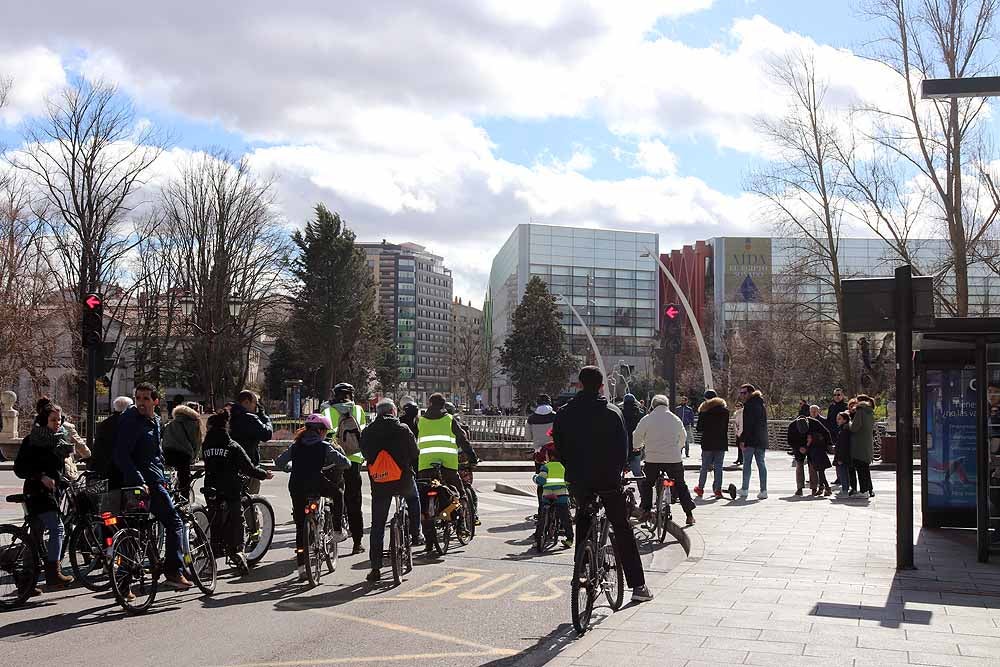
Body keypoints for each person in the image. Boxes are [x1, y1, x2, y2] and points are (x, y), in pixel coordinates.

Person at [552, 366, 653, 603]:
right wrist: (619, 469)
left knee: (583, 523)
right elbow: (623, 448)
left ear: (579, 384)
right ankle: (638, 586)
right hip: (608, 478)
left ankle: (582, 572)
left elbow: (559, 444)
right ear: (600, 386)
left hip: (579, 478)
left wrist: (571, 468)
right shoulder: (612, 412)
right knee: (621, 527)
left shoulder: (565, 413)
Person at [113, 382, 192, 590]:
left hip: (154, 479)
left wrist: (165, 472)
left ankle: (123, 583)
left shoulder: (154, 421)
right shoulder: (131, 421)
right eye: (138, 398)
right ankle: (173, 571)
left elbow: (155, 454)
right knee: (174, 523)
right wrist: (139, 480)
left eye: (146, 398)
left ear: (155, 401)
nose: (141, 402)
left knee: (135, 531)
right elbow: (121, 455)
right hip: (145, 483)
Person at [276, 413, 351, 581]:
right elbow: (345, 462)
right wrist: (343, 464)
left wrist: (290, 468)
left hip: (296, 486)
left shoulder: (295, 446)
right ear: (320, 431)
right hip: (316, 483)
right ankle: (338, 530)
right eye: (325, 431)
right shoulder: (324, 446)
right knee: (338, 494)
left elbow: (279, 462)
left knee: (300, 526)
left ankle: (302, 567)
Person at [14, 398, 75, 592]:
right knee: (57, 529)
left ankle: (26, 581)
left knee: (36, 534)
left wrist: (63, 480)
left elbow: (56, 470)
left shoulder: (58, 440)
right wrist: (41, 477)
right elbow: (20, 468)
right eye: (53, 420)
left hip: (51, 492)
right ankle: (53, 574)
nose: (57, 424)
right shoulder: (33, 440)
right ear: (43, 421)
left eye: (59, 420)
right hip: (37, 492)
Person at [360, 399, 423, 583]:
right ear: (393, 411)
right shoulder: (403, 429)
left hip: (380, 482)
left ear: (378, 413)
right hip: (402, 479)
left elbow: (364, 453)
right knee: (413, 498)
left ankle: (375, 568)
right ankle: (415, 532)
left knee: (377, 524)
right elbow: (415, 453)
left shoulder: (369, 431)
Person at [201, 409, 272, 573]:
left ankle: (211, 553)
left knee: (214, 516)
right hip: (229, 488)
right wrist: (264, 475)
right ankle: (237, 551)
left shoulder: (206, 445)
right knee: (237, 519)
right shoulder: (232, 446)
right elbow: (248, 468)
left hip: (210, 487)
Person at [415, 393, 478, 550]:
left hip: (425, 465)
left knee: (423, 500)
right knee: (459, 493)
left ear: (429, 403)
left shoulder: (420, 421)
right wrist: (473, 458)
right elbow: (463, 440)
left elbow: (413, 441)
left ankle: (429, 541)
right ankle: (462, 525)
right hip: (448, 464)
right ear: (444, 405)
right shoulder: (450, 419)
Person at [635, 394, 696, 525]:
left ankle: (646, 510)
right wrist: (677, 448)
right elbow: (683, 436)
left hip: (653, 459)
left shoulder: (647, 419)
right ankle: (689, 515)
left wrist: (637, 447)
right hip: (673, 459)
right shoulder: (675, 419)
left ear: (653, 405)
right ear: (667, 405)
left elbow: (637, 435)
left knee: (647, 484)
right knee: (681, 485)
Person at [323, 382, 369, 554]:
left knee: (331, 496)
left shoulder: (328, 411)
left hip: (333, 459)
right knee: (354, 501)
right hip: (354, 459)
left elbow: (323, 435)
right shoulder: (358, 410)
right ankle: (357, 543)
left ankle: (331, 531)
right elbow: (362, 435)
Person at [229, 390, 273, 495]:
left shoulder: (229, 417)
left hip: (229, 467)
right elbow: (267, 434)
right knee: (250, 501)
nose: (256, 407)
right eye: (255, 403)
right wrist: (264, 416)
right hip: (248, 466)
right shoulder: (249, 418)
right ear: (246, 402)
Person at [532, 442, 573, 548]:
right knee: (566, 518)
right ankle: (569, 539)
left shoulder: (546, 467)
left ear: (551, 456)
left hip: (547, 496)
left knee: (542, 517)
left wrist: (535, 477)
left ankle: (538, 538)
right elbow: (569, 481)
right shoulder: (564, 467)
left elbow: (541, 480)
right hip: (561, 497)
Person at [445, 401, 480, 526]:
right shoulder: (461, 428)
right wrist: (473, 459)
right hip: (462, 465)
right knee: (467, 490)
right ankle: (473, 515)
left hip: (446, 465)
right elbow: (466, 445)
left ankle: (448, 516)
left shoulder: (437, 426)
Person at [161, 402, 203, 501]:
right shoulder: (194, 423)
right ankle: (184, 501)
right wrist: (194, 457)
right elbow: (197, 442)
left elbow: (164, 439)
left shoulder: (171, 423)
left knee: (167, 476)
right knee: (184, 479)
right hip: (183, 455)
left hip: (167, 453)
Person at [694, 390, 731, 499]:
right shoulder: (725, 411)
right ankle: (717, 490)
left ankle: (700, 488)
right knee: (719, 467)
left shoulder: (704, 411)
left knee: (704, 467)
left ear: (706, 399)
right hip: (721, 442)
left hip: (708, 442)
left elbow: (699, 428)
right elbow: (725, 428)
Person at [91, 396, 133, 482]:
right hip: (124, 470)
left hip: (105, 469)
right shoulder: (129, 423)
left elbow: (97, 447)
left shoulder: (104, 424)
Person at [737, 383, 768, 499]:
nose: (742, 395)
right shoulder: (761, 404)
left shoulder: (749, 406)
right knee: (761, 464)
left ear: (750, 393)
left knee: (747, 465)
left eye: (744, 393)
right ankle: (763, 490)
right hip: (761, 439)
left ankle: (745, 489)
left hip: (750, 440)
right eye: (741, 393)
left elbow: (748, 425)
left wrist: (743, 440)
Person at [787, 416, 827, 496]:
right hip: (798, 446)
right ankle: (799, 488)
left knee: (812, 466)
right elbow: (790, 440)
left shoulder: (815, 423)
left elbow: (825, 433)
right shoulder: (792, 426)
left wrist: (826, 445)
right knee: (799, 465)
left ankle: (814, 487)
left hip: (813, 445)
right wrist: (799, 448)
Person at [850, 394, 876, 498]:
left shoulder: (860, 411)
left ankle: (863, 491)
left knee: (860, 469)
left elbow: (854, 427)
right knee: (865, 469)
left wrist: (849, 424)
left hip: (859, 444)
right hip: (867, 444)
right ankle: (868, 489)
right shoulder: (870, 411)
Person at [621, 394, 644, 477]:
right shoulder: (640, 414)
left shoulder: (620, 413)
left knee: (618, 474)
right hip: (636, 446)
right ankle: (643, 489)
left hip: (623, 446)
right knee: (637, 474)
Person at [833, 411, 855, 496]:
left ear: (845, 420)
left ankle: (845, 489)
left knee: (843, 472)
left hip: (843, 456)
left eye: (839, 419)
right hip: (843, 455)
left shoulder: (844, 431)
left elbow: (843, 446)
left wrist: (840, 458)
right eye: (837, 419)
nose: (837, 421)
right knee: (843, 472)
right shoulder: (843, 429)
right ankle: (845, 488)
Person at [732, 400, 744, 466]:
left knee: (742, 446)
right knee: (739, 446)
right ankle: (739, 459)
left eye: (738, 406)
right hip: (737, 432)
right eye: (736, 406)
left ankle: (742, 459)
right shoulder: (736, 413)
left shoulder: (742, 413)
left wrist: (739, 432)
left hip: (741, 432)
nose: (737, 407)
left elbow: (741, 423)